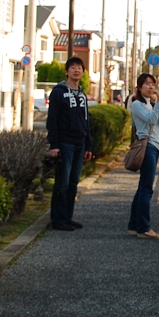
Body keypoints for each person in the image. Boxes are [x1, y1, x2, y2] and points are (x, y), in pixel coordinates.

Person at [46, 56, 93, 231]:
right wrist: (54, 144)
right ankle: (57, 219)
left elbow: (86, 121)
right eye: (72, 67)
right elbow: (53, 120)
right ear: (66, 71)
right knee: (62, 182)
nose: (76, 70)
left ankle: (68, 216)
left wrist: (89, 145)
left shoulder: (82, 94)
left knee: (73, 183)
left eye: (80, 67)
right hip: (64, 143)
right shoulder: (58, 92)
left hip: (80, 143)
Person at [128, 73, 159, 239]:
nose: (151, 87)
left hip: (154, 147)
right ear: (139, 87)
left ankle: (134, 225)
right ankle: (144, 228)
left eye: (153, 84)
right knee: (147, 188)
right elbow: (151, 120)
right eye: (147, 84)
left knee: (142, 188)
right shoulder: (137, 104)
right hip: (148, 148)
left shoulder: (149, 103)